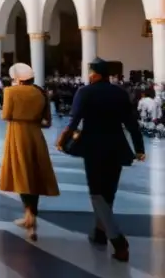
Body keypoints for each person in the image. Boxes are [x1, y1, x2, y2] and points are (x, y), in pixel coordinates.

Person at [57, 58, 145, 262]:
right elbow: (131, 123)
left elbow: (74, 120)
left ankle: (118, 241)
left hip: (93, 147)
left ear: (95, 74)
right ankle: (99, 232)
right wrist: (139, 148)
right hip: (116, 147)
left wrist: (63, 140)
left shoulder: (85, 92)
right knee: (108, 193)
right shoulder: (120, 93)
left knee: (97, 193)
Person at [0, 63, 58, 241]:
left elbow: (6, 115)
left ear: (17, 78)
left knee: (21, 174)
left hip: (17, 134)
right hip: (35, 135)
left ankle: (28, 215)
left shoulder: (10, 92)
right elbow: (47, 121)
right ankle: (32, 215)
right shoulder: (40, 92)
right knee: (34, 175)